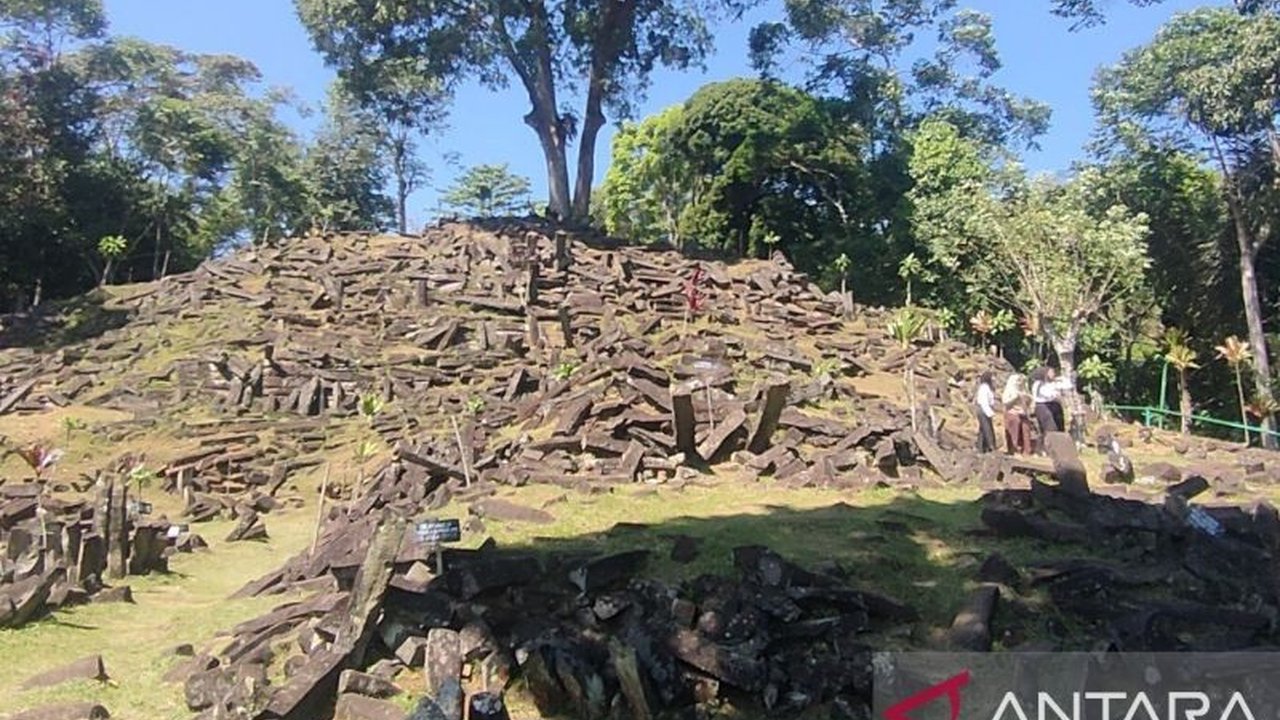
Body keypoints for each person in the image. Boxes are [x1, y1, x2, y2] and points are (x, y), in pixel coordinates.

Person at [1032, 366, 1071, 439]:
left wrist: (1062, 379)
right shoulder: (1038, 384)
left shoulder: (1054, 383)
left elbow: (1068, 386)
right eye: (1051, 372)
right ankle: (1051, 442)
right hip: (1042, 406)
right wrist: (1056, 394)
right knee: (1050, 425)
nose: (1054, 374)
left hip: (1053, 404)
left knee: (1059, 422)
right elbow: (1045, 394)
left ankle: (1061, 440)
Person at [1001, 373, 1033, 455]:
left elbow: (1030, 403)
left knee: (1026, 427)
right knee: (1015, 422)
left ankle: (1027, 450)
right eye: (1018, 381)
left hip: (1022, 413)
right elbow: (1005, 403)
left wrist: (1028, 399)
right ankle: (1014, 448)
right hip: (1012, 412)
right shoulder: (1009, 390)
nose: (1020, 383)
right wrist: (1015, 398)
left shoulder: (1024, 390)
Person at [975, 370, 997, 453]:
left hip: (985, 409)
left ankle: (980, 448)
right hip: (984, 410)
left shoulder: (988, 387)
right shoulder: (984, 388)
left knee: (982, 430)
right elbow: (984, 402)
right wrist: (989, 412)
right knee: (988, 429)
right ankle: (991, 447)